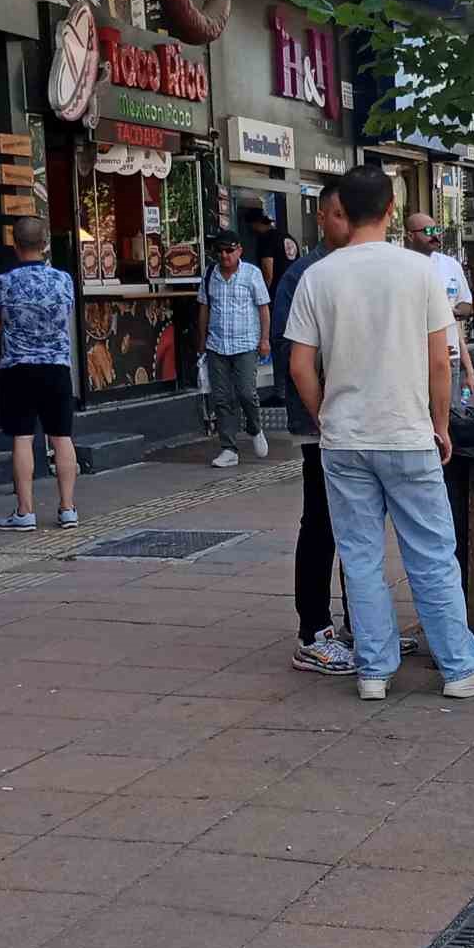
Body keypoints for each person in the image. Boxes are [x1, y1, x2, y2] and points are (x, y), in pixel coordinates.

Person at [286, 165, 474, 703]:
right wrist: (442, 424)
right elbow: (440, 362)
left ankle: (374, 670)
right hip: (407, 431)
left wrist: (323, 415)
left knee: (358, 555)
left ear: (343, 211)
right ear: (391, 211)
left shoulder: (319, 276)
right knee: (430, 553)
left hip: (345, 437)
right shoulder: (419, 271)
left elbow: (299, 365)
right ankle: (458, 668)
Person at [272, 181, 355, 676]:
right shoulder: (303, 275)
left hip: (354, 421)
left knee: (356, 526)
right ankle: (314, 630)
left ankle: (358, 623)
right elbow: (293, 355)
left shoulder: (358, 267)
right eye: (339, 215)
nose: (347, 224)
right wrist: (323, 413)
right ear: (321, 217)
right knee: (322, 522)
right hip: (322, 422)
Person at [0, 216, 79, 532]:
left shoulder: (3, 283)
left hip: (17, 368)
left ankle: (25, 512)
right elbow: (64, 315)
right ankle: (67, 508)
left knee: (23, 438)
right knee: (62, 437)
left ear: (15, 244)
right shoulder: (63, 280)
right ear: (46, 244)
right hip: (56, 367)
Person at [197, 229, 270, 468]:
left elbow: (263, 309)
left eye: (229, 250)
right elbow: (204, 309)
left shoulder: (252, 274)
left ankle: (255, 427)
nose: (225, 255)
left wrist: (265, 340)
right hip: (217, 345)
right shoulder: (210, 276)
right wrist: (202, 341)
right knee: (221, 398)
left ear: (240, 250)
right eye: (220, 251)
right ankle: (228, 448)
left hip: (245, 344)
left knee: (247, 392)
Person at [404, 213, 474, 401]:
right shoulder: (400, 267)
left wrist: (469, 369)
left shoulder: (450, 265)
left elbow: (466, 305)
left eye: (437, 230)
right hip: (413, 363)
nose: (435, 235)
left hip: (449, 359)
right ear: (410, 236)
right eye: (428, 231)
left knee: (450, 420)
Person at [247, 207, 298, 299]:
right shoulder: (287, 236)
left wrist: (263, 295)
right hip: (293, 290)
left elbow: (267, 270)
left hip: (277, 294)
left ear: (256, 223)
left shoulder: (266, 238)